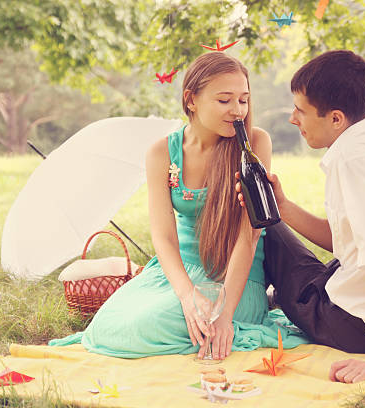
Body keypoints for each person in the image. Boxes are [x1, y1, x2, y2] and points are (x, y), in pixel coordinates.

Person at [50, 52, 307, 359]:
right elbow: (164, 237)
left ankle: (231, 323)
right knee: (110, 326)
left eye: (243, 99)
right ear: (191, 100)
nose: (238, 110)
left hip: (234, 280)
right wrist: (187, 296)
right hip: (175, 274)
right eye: (225, 100)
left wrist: (224, 314)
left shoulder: (254, 144)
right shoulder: (162, 152)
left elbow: (248, 237)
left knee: (160, 325)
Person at [236, 50, 365, 383]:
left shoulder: (355, 160)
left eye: (301, 110)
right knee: (276, 220)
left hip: (362, 328)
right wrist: (284, 206)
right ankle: (281, 292)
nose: (293, 119)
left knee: (265, 228)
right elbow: (354, 241)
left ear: (336, 118)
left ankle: (244, 301)